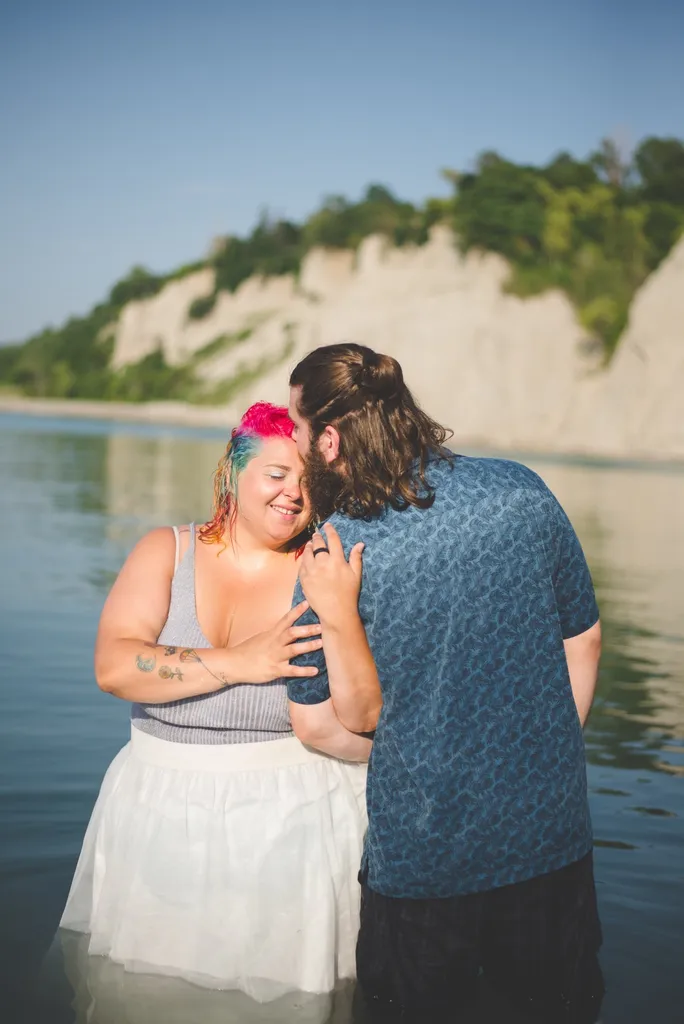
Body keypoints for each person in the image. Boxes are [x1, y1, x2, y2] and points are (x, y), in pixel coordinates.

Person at [285, 344, 605, 1023]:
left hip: (428, 860)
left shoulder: (333, 552)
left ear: (332, 438)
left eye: (301, 429)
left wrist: (431, 750)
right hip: (553, 839)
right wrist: (535, 746)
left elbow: (318, 723)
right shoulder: (523, 487)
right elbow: (585, 639)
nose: (300, 445)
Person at [59, 401, 377, 1005]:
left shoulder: (324, 568)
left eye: (309, 481)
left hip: (296, 817)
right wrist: (242, 661)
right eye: (277, 475)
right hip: (158, 809)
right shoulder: (166, 551)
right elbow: (114, 666)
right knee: (148, 995)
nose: (293, 494)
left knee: (287, 998)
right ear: (234, 473)